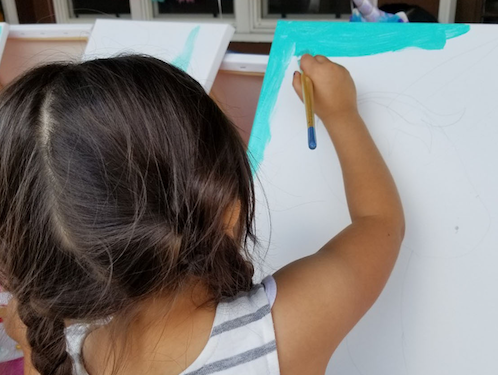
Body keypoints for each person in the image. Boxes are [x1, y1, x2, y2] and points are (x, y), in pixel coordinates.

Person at [0, 54, 404, 375]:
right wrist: (342, 113)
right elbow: (380, 222)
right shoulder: (285, 329)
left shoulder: (53, 350)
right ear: (227, 211)